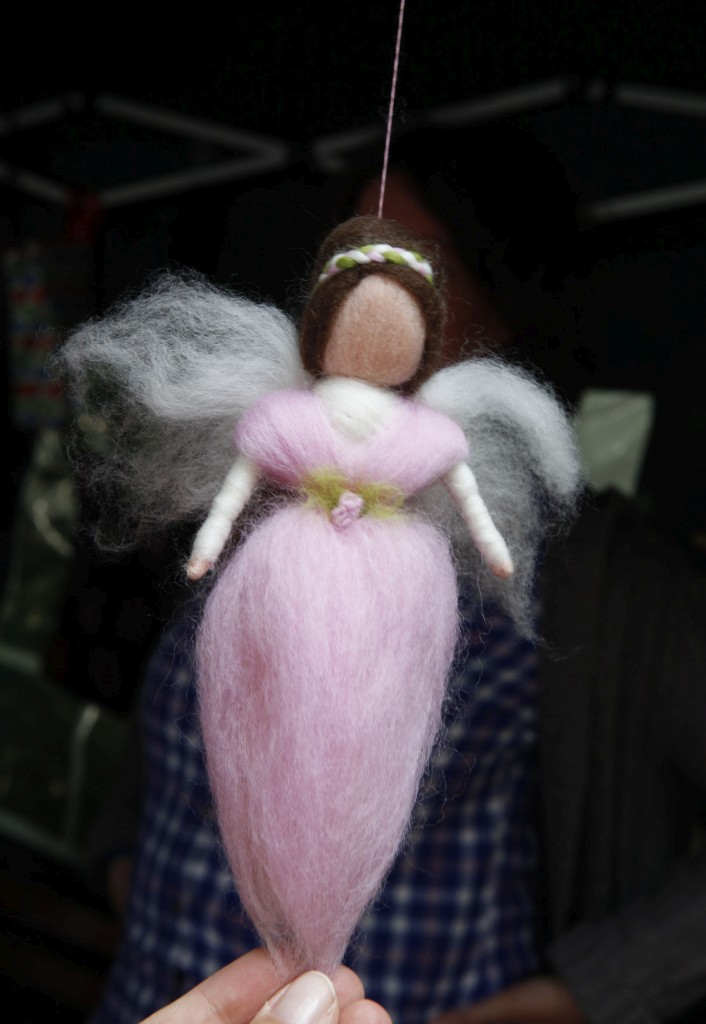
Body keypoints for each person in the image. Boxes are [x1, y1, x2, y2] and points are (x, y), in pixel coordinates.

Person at [82, 130, 706, 1024]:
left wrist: (582, 993)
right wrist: (123, 866)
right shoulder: (273, 485)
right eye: (351, 256)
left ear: (499, 300)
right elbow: (174, 745)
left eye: (424, 264)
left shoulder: (618, 585)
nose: (376, 288)